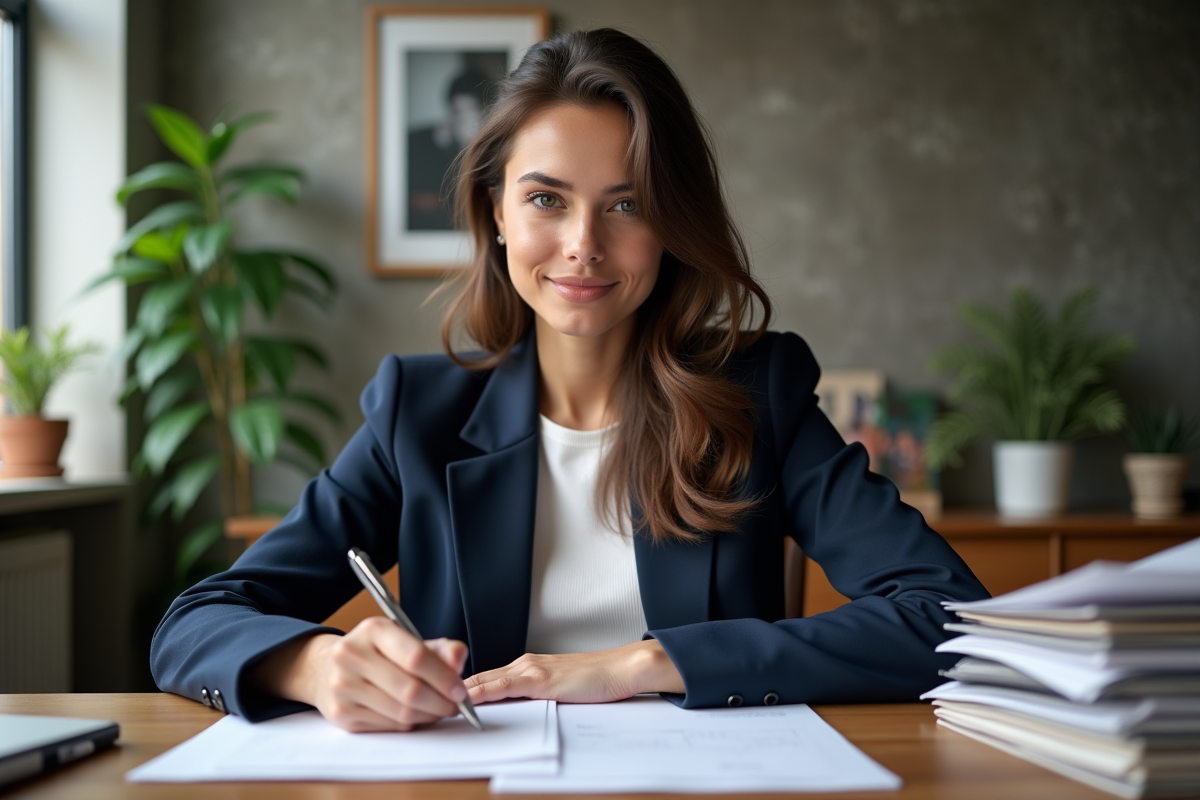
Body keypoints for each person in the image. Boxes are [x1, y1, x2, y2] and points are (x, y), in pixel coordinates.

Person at [151, 28, 988, 732]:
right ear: (497, 213)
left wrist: (645, 664)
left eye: (627, 205)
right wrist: (315, 665)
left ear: (671, 224)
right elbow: (192, 624)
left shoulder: (756, 395)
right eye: (547, 200)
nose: (584, 244)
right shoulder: (418, 414)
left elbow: (947, 618)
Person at [406, 67, 492, 231]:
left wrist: (470, 148)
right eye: (456, 112)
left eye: (470, 112)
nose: (460, 121)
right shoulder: (418, 141)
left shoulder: (491, 151)